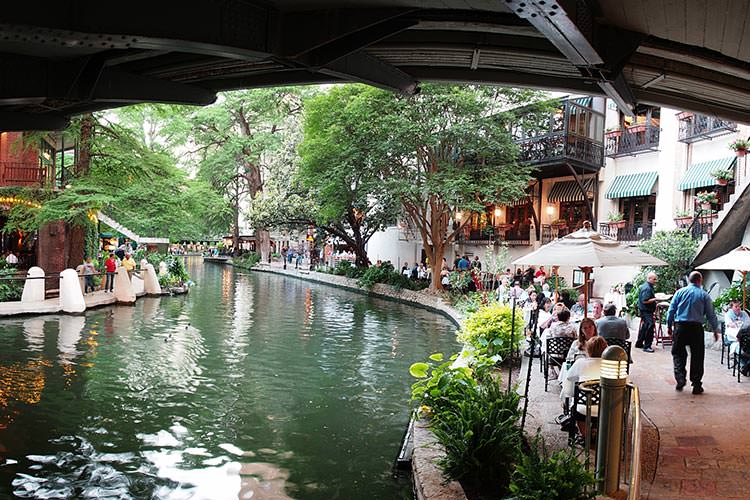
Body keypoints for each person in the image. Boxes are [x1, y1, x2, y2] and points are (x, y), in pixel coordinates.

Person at [666, 271, 720, 394]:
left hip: (681, 327)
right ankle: (696, 385)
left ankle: (680, 378)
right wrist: (715, 330)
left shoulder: (680, 292)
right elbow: (711, 314)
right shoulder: (704, 295)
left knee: (678, 353)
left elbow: (671, 310)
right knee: (697, 356)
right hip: (696, 329)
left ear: (689, 280)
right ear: (699, 280)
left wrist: (669, 326)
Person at [636, 272, 658, 352]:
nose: (655, 281)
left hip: (646, 310)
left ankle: (639, 343)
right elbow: (645, 301)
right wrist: (656, 299)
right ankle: (647, 346)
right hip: (646, 310)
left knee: (645, 326)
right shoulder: (647, 288)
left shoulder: (648, 286)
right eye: (654, 279)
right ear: (649, 279)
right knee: (650, 326)